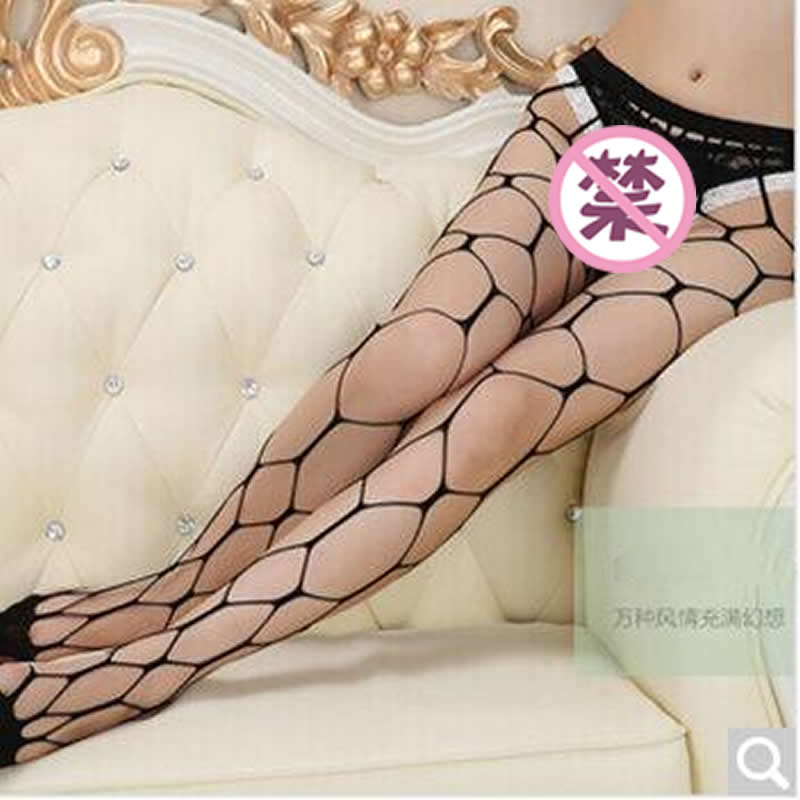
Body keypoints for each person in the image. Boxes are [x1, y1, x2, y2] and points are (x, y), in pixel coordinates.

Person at [0, 0, 793, 766]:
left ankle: (145, 670)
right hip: (605, 110)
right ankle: (163, 597)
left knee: (501, 412)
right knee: (417, 351)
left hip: (765, 199)